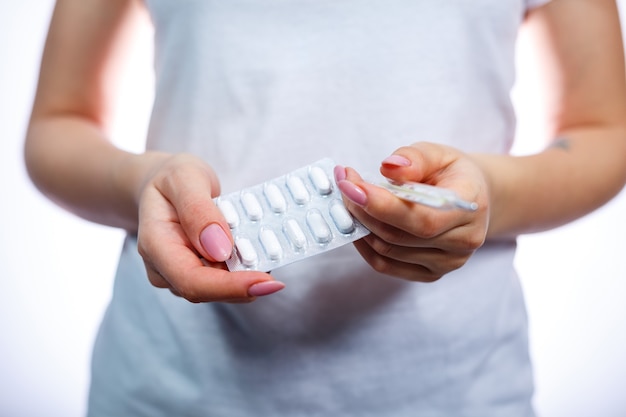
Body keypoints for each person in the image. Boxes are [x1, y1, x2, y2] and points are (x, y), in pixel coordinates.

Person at [24, 0, 626, 415]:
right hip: (171, 382)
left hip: (451, 387)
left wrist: (487, 194)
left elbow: (605, 132)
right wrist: (142, 182)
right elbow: (58, 123)